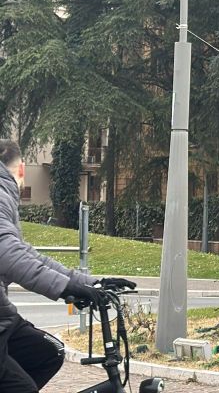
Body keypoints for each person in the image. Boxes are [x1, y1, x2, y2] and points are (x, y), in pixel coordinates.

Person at [0, 139, 135, 392]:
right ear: (20, 169)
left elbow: (28, 255)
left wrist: (89, 283)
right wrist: (64, 289)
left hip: (3, 318)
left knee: (49, 353)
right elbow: (8, 255)